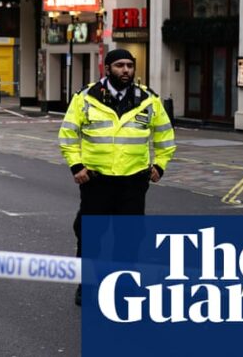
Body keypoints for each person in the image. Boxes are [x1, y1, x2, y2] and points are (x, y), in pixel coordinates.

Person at [58, 48, 176, 306]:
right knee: (90, 236)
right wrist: (76, 166)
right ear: (107, 68)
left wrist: (160, 165)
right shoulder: (85, 98)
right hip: (96, 179)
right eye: (120, 65)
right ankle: (86, 284)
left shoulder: (148, 100)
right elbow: (68, 134)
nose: (126, 70)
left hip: (133, 181)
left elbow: (165, 136)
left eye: (130, 66)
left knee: (129, 237)